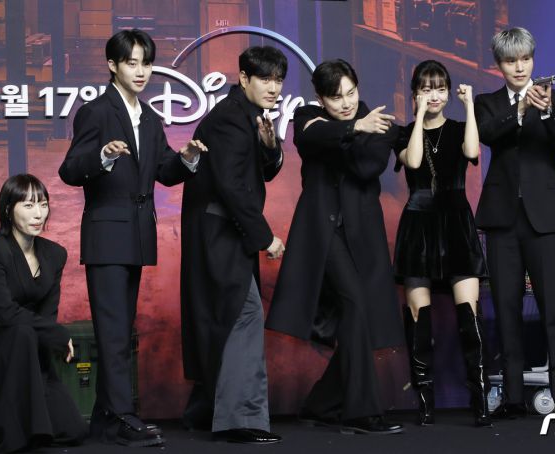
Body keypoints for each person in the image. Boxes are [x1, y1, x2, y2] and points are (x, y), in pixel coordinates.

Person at [58, 29, 205, 446]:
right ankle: (122, 415)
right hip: (107, 235)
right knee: (113, 331)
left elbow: (164, 171)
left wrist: (187, 159)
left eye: (146, 63)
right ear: (112, 65)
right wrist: (102, 157)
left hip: (137, 235)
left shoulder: (150, 119)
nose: (141, 71)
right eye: (132, 63)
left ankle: (107, 419)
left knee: (121, 328)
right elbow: (69, 170)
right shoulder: (96, 112)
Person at [266, 59, 404, 435]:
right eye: (336, 97)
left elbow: (366, 167)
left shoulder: (377, 121)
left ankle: (321, 403)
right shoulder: (307, 116)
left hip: (362, 236)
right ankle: (362, 412)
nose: (346, 103)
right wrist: (354, 129)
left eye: (350, 93)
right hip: (321, 233)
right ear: (320, 97)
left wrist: (349, 133)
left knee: (361, 317)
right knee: (355, 304)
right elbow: (309, 138)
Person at [179, 46, 285, 445]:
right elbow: (232, 187)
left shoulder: (249, 117)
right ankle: (241, 419)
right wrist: (266, 237)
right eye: (265, 79)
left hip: (226, 233)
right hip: (218, 233)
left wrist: (269, 146)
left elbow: (259, 174)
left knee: (224, 319)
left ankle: (205, 410)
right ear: (243, 78)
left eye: (278, 80)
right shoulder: (229, 119)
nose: (274, 88)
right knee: (243, 315)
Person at [474, 27, 555, 418]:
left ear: (533, 59)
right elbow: (488, 135)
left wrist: (545, 112)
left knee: (553, 306)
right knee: (506, 307)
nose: (519, 67)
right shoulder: (487, 103)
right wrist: (519, 111)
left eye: (525, 59)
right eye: (510, 61)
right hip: (502, 218)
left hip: (545, 219)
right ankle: (513, 397)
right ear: (498, 64)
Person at [0, 174, 88, 452]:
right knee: (21, 330)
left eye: (43, 204)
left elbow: (48, 314)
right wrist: (57, 334)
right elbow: (5, 315)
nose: (38, 214)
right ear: (8, 209)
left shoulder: (55, 254)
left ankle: (19, 421)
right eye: (28, 205)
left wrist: (50, 335)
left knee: (73, 430)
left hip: (32, 348)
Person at [393, 60, 490, 427]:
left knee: (470, 316)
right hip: (418, 227)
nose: (434, 95)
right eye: (426, 88)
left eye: (440, 88)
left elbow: (472, 153)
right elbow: (414, 161)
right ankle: (425, 404)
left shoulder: (461, 128)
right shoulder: (404, 134)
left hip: (456, 224)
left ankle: (481, 401)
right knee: (419, 321)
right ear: (415, 92)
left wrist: (469, 106)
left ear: (448, 92)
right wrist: (418, 116)